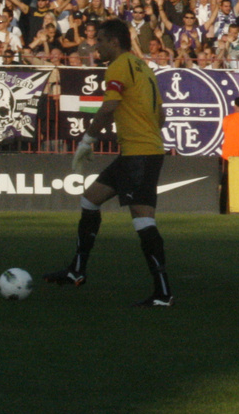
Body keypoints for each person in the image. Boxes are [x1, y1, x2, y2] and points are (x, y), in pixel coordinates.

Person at [45, 18, 172, 307]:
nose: (96, 45)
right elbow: (161, 116)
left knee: (143, 221)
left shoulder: (118, 66)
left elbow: (110, 106)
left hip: (139, 154)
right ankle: (77, 270)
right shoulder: (143, 67)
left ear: (114, 42)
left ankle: (164, 294)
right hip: (137, 152)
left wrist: (87, 141)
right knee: (90, 200)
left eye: (100, 41)